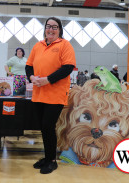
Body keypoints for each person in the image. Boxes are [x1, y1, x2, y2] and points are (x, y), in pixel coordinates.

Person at [25, 17, 76, 174]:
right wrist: (32, 78)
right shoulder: (38, 45)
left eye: (55, 27)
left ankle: (52, 161)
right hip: (39, 93)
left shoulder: (65, 45)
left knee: (48, 126)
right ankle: (47, 158)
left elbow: (67, 68)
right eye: (48, 26)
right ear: (45, 28)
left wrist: (47, 80)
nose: (51, 29)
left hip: (56, 94)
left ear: (59, 30)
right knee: (43, 127)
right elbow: (29, 66)